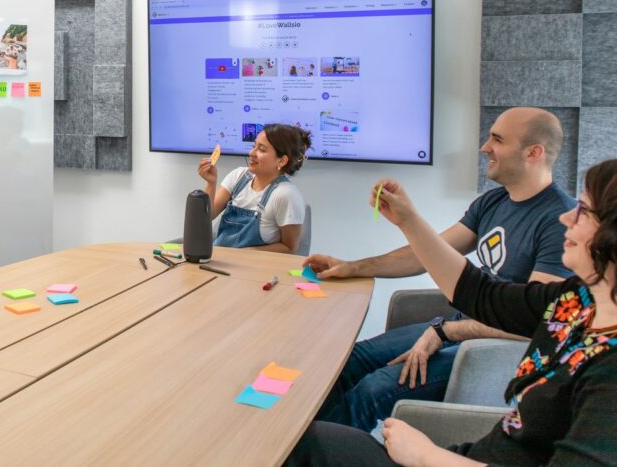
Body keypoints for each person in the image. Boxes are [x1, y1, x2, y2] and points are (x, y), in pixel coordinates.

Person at [287, 159, 617, 466]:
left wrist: (425, 455)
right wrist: (408, 220)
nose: (566, 218)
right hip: (469, 455)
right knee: (305, 441)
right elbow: (480, 293)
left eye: (584, 212)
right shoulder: (575, 300)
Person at [305, 107, 573, 431]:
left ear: (533, 152)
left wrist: (445, 331)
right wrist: (354, 267)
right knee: (348, 361)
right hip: (456, 326)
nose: (484, 147)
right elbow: (427, 254)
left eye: (497, 140)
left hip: (492, 350)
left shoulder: (561, 222)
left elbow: (534, 323)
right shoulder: (492, 202)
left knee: (372, 391)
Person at [196, 123, 310, 253]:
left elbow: (290, 248)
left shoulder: (286, 195)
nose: (251, 153)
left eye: (262, 149)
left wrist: (243, 254)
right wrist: (211, 183)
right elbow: (205, 218)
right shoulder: (238, 176)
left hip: (253, 268)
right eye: (253, 146)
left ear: (282, 161)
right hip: (220, 260)